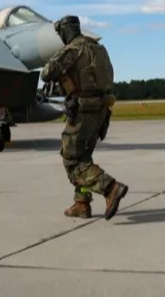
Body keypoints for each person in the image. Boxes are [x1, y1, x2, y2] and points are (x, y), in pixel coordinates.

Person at [42, 15, 128, 220]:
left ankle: (110, 187)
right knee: (84, 158)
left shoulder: (73, 49)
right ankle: (81, 204)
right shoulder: (99, 49)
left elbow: (46, 73)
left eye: (60, 33)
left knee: (71, 160)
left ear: (66, 31)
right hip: (101, 110)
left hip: (83, 111)